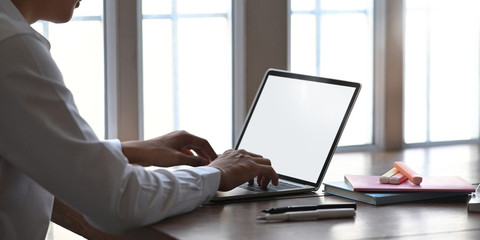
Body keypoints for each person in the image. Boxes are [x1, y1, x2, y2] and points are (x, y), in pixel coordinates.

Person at [0, 0, 279, 239]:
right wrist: (216, 174)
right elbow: (115, 201)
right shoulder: (13, 46)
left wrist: (126, 151)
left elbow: (30, 147)